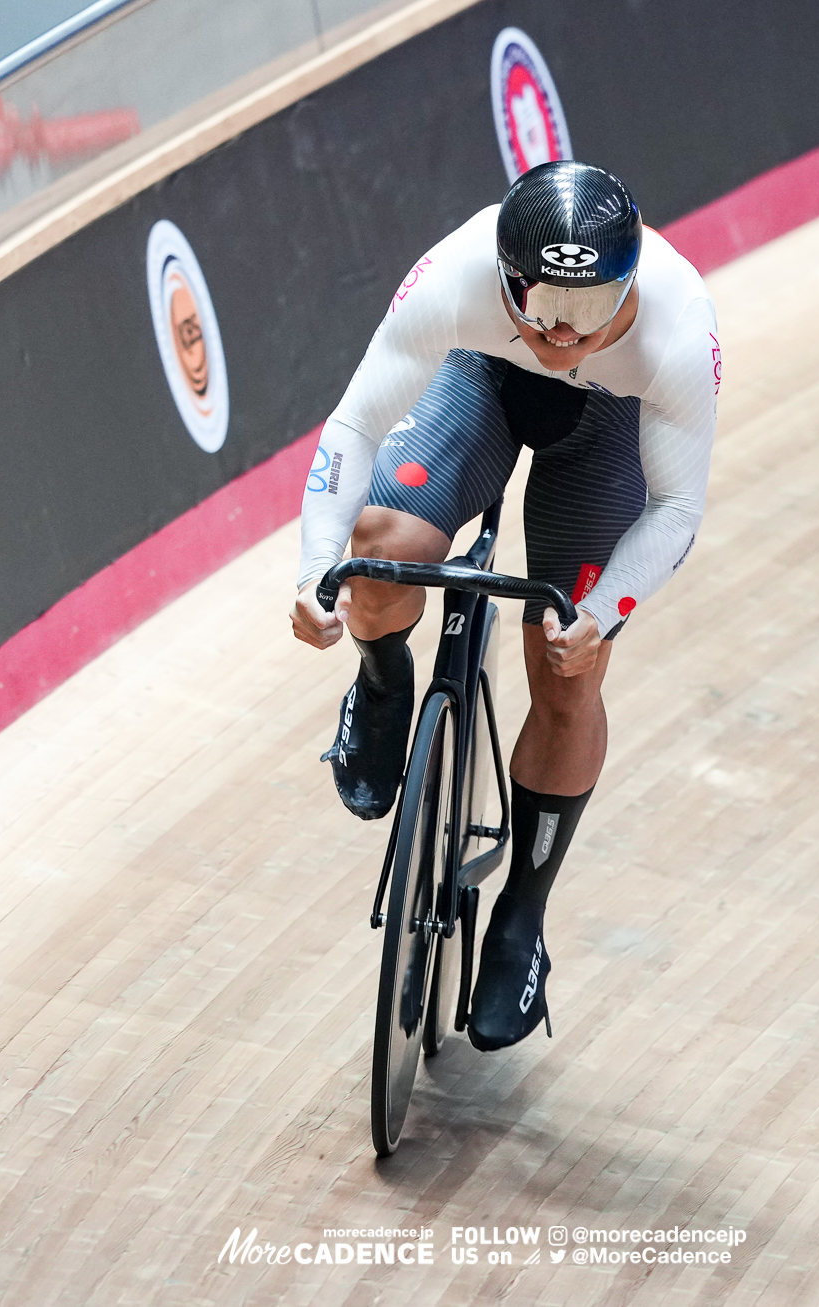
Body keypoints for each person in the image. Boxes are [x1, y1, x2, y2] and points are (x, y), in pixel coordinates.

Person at [290, 160, 719, 1051]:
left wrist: (601, 614)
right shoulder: (455, 275)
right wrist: (313, 567)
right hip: (480, 382)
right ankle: (381, 677)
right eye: (548, 307)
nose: (566, 334)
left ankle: (522, 914)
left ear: (630, 282)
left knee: (567, 665)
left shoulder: (679, 329)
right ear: (505, 277)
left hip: (605, 435)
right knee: (378, 554)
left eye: (594, 309)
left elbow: (677, 505)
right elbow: (353, 424)